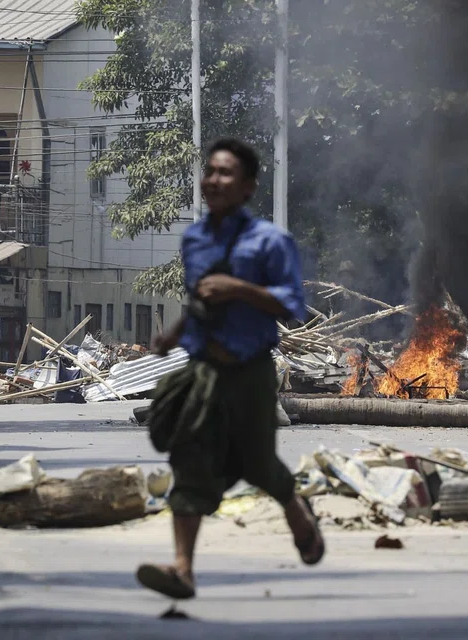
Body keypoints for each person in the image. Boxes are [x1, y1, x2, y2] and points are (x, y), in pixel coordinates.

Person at [137, 138, 325, 600]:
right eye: (210, 171)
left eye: (225, 173)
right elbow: (200, 303)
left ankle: (298, 514)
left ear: (247, 187)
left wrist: (240, 289)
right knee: (189, 459)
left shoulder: (271, 242)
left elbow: (292, 305)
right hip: (203, 371)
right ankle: (183, 569)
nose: (213, 180)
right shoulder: (194, 239)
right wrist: (173, 335)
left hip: (250, 371)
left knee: (258, 464)